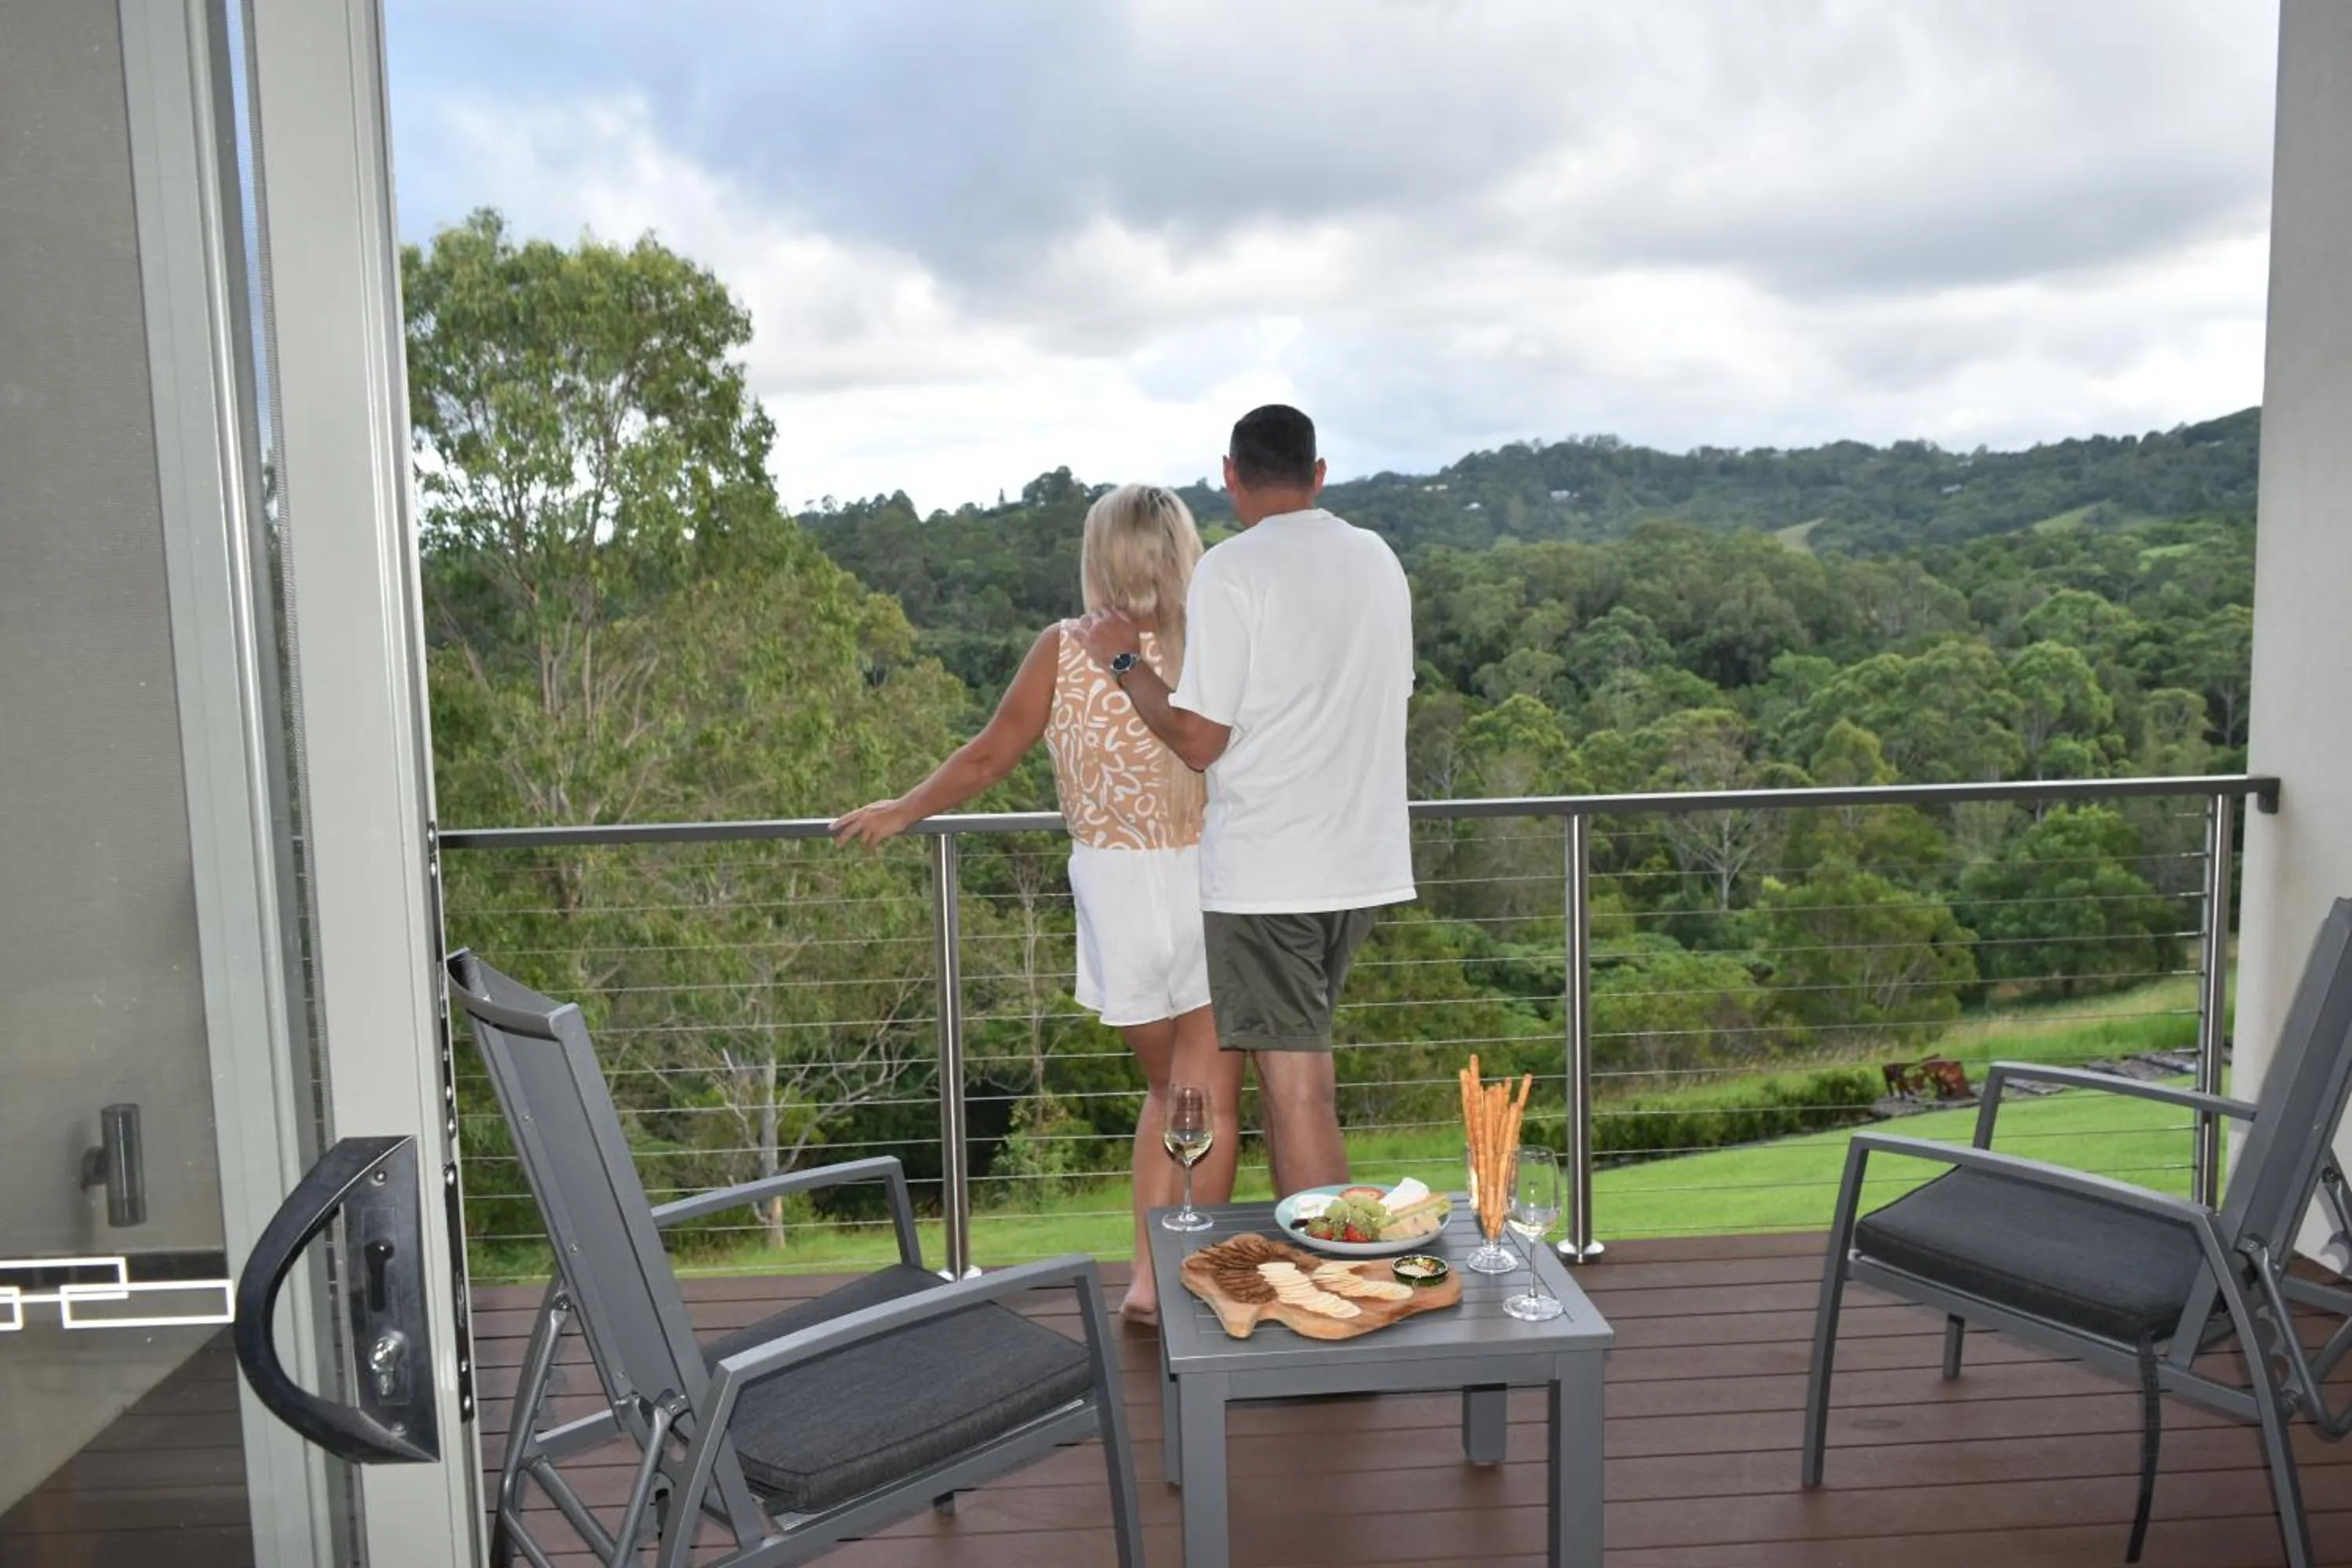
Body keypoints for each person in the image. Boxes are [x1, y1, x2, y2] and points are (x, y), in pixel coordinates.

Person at [833, 483, 1242, 1323]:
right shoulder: (1212, 639)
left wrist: (903, 808)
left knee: (1166, 1093)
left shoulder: (1062, 648)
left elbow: (989, 756)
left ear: (1099, 555)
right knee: (1214, 1102)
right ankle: (1185, 1276)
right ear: (1179, 547)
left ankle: (1142, 1279)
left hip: (1118, 887)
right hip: (1213, 877)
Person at [1078, 405, 1415, 1196]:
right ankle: (1320, 1262)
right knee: (1298, 1079)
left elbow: (1198, 740)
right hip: (1360, 867)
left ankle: (1335, 1275)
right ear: (1319, 472)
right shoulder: (1377, 558)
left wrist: (1125, 660)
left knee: (1298, 1093)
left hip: (1272, 878)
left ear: (1230, 475)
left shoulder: (1234, 570)